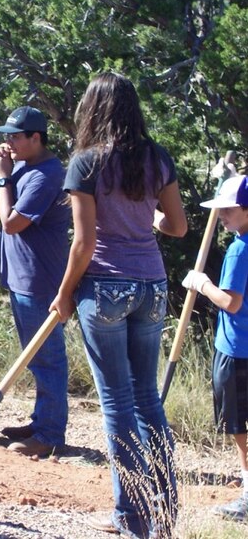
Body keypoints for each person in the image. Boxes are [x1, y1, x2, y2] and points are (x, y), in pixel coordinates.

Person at [49, 73, 187, 538]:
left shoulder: (86, 163)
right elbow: (179, 227)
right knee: (148, 398)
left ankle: (130, 517)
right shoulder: (157, 158)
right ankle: (166, 511)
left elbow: (84, 244)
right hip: (152, 284)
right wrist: (143, 218)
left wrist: (65, 292)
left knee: (118, 405)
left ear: (92, 109)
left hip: (105, 287)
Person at [0, 106, 70, 457]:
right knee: (34, 357)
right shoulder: (21, 167)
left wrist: (5, 177)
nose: (9, 142)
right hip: (21, 277)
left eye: (15, 136)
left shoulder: (46, 175)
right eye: (6, 136)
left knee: (48, 358)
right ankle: (41, 421)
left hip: (40, 280)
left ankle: (50, 435)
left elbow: (12, 223)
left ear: (37, 138)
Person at [182, 174, 248, 522]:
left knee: (239, 426)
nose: (221, 215)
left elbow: (231, 303)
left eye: (228, 209)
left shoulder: (240, 249)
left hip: (238, 348)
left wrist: (203, 283)